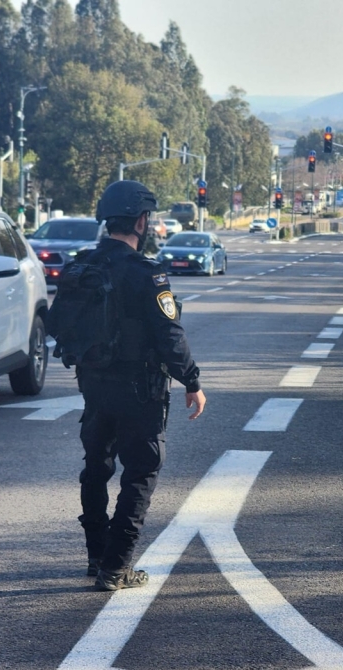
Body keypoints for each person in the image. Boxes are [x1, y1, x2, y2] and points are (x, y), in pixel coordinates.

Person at [71, 180, 206, 592]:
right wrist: (192, 382)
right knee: (141, 472)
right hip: (138, 389)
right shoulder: (147, 274)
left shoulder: (83, 267)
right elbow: (170, 336)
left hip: (93, 384)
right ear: (142, 221)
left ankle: (96, 557)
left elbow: (64, 326)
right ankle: (116, 567)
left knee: (96, 468)